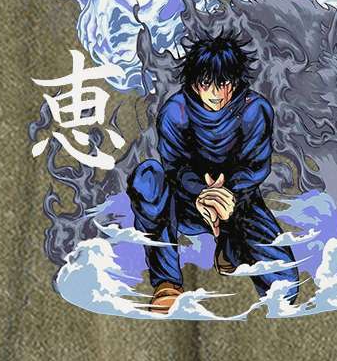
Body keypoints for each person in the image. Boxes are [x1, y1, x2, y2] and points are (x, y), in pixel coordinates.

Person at [126, 32, 299, 313]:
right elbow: (174, 166)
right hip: (185, 201)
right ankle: (167, 283)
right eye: (206, 84)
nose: (215, 94)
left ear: (235, 80)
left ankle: (230, 246)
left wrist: (226, 195)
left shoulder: (254, 109)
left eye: (223, 83)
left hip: (238, 201)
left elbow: (256, 166)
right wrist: (201, 193)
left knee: (286, 286)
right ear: (195, 82)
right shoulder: (176, 111)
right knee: (148, 176)